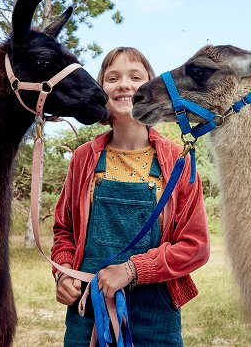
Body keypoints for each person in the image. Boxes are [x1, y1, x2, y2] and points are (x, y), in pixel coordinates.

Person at [51, 47, 210, 346]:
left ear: (150, 88)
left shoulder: (179, 161)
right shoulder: (83, 158)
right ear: (101, 91)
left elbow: (195, 246)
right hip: (89, 311)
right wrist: (63, 272)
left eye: (135, 77)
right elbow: (64, 231)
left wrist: (132, 270)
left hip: (156, 315)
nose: (124, 84)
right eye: (113, 78)